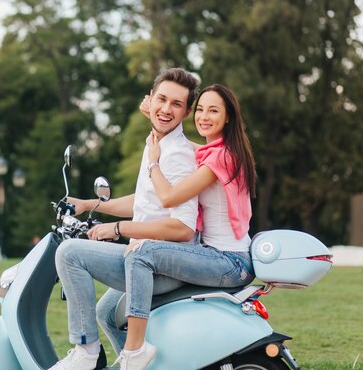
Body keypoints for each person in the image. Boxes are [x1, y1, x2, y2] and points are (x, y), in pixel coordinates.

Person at [49, 67, 200, 370]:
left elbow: (182, 228)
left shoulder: (177, 155)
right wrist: (90, 204)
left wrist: (116, 229)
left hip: (161, 264)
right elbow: (144, 202)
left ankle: (85, 350)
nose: (166, 109)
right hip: (142, 255)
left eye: (176, 104)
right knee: (106, 313)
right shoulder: (156, 143)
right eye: (161, 100)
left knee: (69, 254)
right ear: (150, 99)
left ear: (186, 112)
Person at [119, 83, 257, 364]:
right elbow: (179, 143)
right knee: (113, 301)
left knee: (143, 253)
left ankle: (134, 352)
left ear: (228, 117)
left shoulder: (222, 157)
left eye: (214, 111)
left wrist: (154, 164)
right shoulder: (219, 152)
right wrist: (155, 116)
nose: (204, 116)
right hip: (223, 257)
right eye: (201, 110)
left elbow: (169, 197)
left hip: (228, 261)